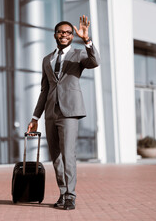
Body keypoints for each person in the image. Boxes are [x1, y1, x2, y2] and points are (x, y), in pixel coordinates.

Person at [27, 15, 101, 210]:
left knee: (68, 154)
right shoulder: (47, 60)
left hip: (70, 111)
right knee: (56, 156)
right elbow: (44, 90)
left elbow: (95, 61)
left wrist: (87, 40)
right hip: (51, 112)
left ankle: (71, 195)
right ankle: (62, 193)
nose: (65, 35)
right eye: (61, 32)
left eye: (68, 33)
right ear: (55, 35)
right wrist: (35, 117)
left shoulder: (79, 55)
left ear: (71, 36)